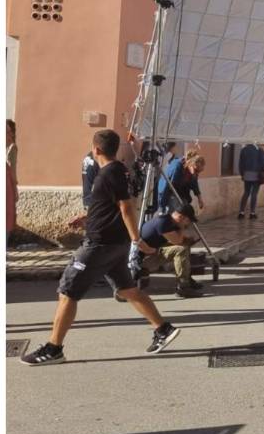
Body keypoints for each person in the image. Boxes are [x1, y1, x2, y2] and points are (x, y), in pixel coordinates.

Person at [21, 130, 180, 365]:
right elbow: (110, 206)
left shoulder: (109, 173)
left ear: (96, 149)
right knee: (127, 290)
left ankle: (54, 349)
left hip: (99, 245)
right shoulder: (118, 171)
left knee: (67, 292)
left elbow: (126, 208)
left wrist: (137, 240)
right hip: (113, 244)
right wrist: (86, 218)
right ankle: (163, 329)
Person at [132, 204, 204, 298]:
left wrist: (189, 239)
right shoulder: (163, 223)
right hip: (143, 259)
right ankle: (183, 287)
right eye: (188, 221)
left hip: (151, 251)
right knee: (181, 249)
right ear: (180, 217)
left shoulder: (167, 220)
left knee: (186, 243)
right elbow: (178, 241)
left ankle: (187, 279)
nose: (188, 224)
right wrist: (182, 227)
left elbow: (176, 239)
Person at [158, 152, 204, 216]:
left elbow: (194, 184)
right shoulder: (177, 166)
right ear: (190, 164)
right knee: (177, 211)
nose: (196, 173)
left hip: (179, 192)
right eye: (196, 170)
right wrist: (162, 206)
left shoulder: (192, 172)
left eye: (199, 172)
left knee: (186, 209)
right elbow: (170, 186)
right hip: (167, 191)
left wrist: (200, 199)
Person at [237, 142, 264, 220]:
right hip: (256, 175)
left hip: (246, 174)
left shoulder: (243, 150)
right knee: (254, 193)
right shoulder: (259, 150)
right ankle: (252, 213)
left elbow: (240, 163)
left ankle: (241, 212)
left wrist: (242, 174)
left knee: (246, 193)